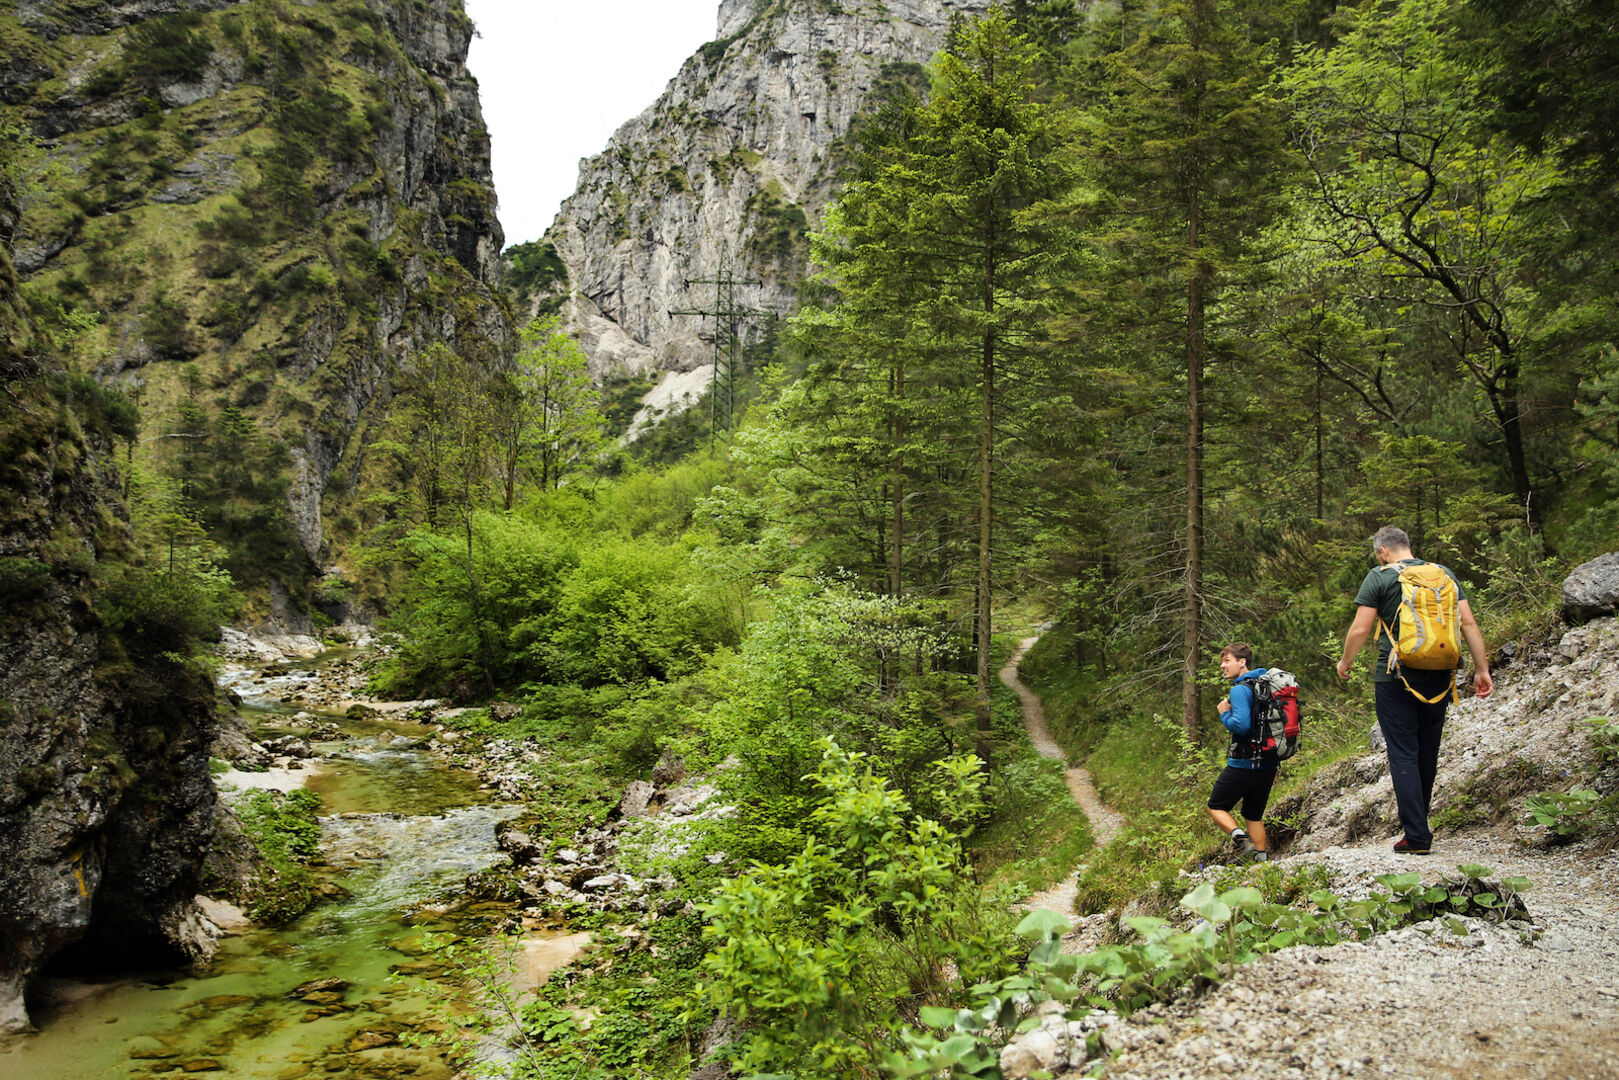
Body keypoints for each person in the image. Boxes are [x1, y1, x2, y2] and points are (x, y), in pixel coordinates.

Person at [1335, 526, 1494, 855]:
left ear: (1383, 552)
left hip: (1395, 675)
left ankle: (1417, 835)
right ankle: (1418, 828)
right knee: (1427, 750)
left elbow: (1362, 627)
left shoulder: (1379, 577)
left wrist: (1346, 660)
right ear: (1407, 547)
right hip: (1440, 673)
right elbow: (1468, 624)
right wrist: (1481, 669)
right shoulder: (1443, 573)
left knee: (1403, 752)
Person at [1206, 642, 1276, 861]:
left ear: (1242, 662)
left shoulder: (1239, 689)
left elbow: (1242, 725)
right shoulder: (1266, 685)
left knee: (1216, 806)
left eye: (1227, 661)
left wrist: (1224, 714)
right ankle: (1262, 862)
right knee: (1253, 815)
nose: (1222, 666)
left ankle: (1242, 842)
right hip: (1268, 763)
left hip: (1244, 763)